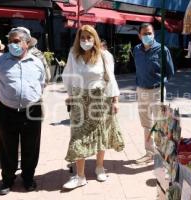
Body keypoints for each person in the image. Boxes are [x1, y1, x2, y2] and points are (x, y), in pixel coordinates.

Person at [62, 25, 124, 190]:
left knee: (100, 134)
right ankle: (80, 176)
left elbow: (110, 79)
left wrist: (115, 100)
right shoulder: (73, 55)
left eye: (89, 38)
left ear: (95, 39)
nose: (86, 41)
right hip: (79, 101)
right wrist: (69, 94)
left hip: (100, 100)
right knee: (77, 137)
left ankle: (99, 167)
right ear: (78, 39)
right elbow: (67, 76)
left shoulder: (104, 56)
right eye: (83, 38)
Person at [0, 27, 45, 195]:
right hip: (8, 111)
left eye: (16, 41)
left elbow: (42, 84)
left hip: (32, 111)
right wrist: (6, 100)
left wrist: (30, 97)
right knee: (7, 148)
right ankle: (7, 180)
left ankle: (28, 178)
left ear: (26, 43)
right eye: (10, 41)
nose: (12, 44)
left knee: (31, 147)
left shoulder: (37, 62)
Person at [133, 23, 174, 164]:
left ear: (154, 34)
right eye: (144, 34)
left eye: (149, 33)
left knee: (160, 123)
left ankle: (163, 154)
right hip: (141, 90)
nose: (147, 36)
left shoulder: (162, 49)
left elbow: (170, 71)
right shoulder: (136, 50)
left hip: (157, 90)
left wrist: (160, 82)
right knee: (146, 124)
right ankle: (149, 153)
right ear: (139, 36)